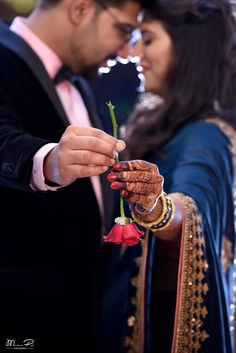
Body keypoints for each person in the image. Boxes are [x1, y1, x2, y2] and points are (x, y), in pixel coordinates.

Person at [0, 0, 145, 351]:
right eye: (124, 30)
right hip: (18, 317)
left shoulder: (81, 83)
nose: (128, 50)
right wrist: (49, 161)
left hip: (80, 314)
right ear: (79, 9)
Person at [101, 0, 236, 352]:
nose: (134, 52)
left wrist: (155, 206)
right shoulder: (160, 121)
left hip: (159, 325)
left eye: (147, 38)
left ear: (189, 49)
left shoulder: (206, 136)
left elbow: (193, 204)